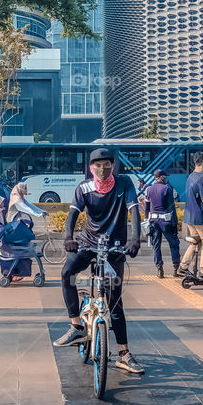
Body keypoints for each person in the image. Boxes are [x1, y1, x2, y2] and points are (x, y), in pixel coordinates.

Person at [53, 147, 145, 375]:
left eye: (107, 165)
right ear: (91, 168)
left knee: (114, 300)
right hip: (88, 243)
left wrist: (135, 240)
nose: (103, 169)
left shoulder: (124, 184)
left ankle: (124, 354)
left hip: (114, 247)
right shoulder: (84, 188)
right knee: (67, 274)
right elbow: (72, 215)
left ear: (113, 166)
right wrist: (68, 238)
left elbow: (134, 212)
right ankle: (76, 325)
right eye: (98, 165)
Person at [142, 169, 181, 278]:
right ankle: (175, 268)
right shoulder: (167, 188)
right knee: (174, 244)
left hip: (154, 222)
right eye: (165, 176)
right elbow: (171, 207)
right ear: (162, 177)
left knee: (156, 245)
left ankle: (159, 269)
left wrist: (147, 220)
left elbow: (146, 208)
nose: (166, 178)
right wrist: (175, 223)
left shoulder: (148, 189)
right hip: (166, 222)